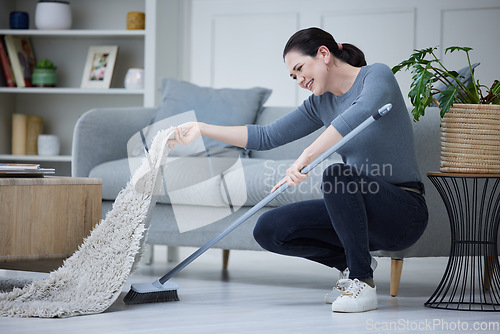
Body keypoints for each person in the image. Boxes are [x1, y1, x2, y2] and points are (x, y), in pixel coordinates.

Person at [167, 27, 428, 313]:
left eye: (300, 68)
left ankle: (362, 282)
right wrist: (203, 128)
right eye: (294, 76)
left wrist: (306, 155)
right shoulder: (321, 103)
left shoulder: (376, 75)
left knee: (337, 174)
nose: (300, 80)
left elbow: (361, 112)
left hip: (403, 213)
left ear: (324, 54)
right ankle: (352, 264)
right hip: (358, 212)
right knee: (270, 228)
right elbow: (266, 136)